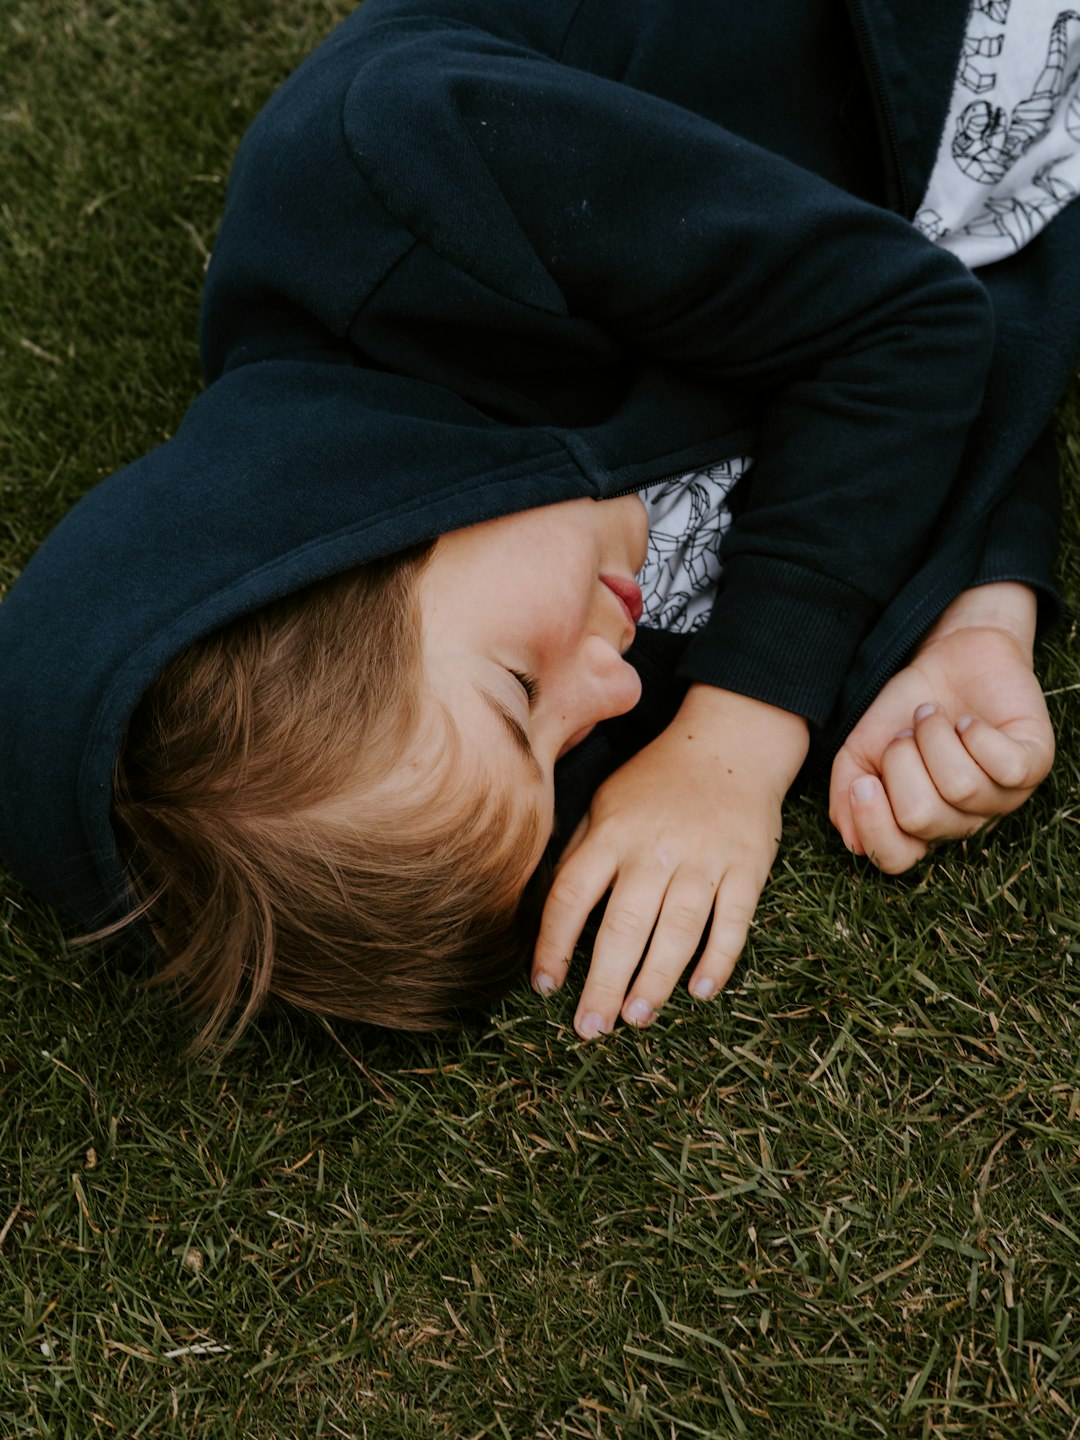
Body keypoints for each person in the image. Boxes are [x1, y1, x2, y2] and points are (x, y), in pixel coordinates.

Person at [0, 0, 1077, 1049]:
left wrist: (738, 739)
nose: (611, 699)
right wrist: (980, 616)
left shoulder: (404, 166)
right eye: (563, 761)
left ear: (359, 533)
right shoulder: (517, 621)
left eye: (522, 694)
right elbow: (944, 369)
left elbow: (906, 320)